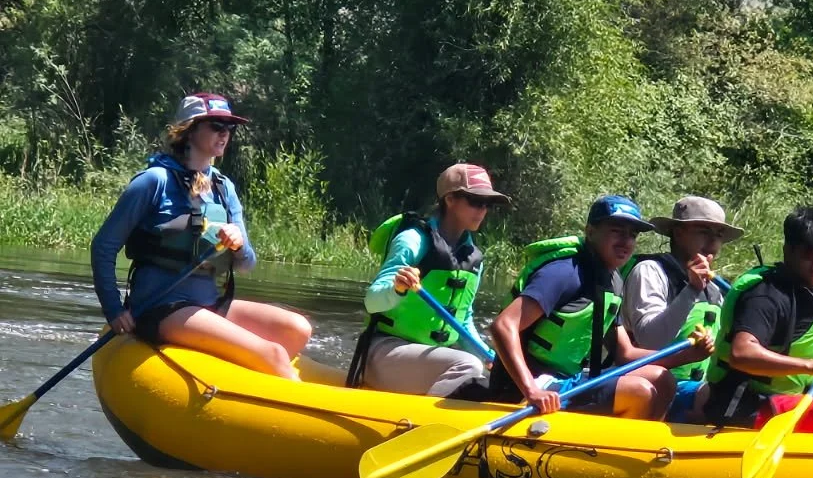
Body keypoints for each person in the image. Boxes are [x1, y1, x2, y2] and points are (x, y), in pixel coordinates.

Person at [90, 92, 312, 380]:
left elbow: (246, 264)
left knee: (297, 329)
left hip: (209, 302)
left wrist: (239, 245)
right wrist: (113, 309)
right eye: (217, 126)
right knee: (273, 353)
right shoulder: (153, 182)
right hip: (159, 308)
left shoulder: (224, 188)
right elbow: (103, 247)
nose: (225, 134)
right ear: (190, 129)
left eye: (230, 128)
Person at [488, 196, 712, 420]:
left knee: (662, 380)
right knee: (638, 392)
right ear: (591, 231)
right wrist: (531, 389)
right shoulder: (564, 272)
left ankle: (644, 448)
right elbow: (503, 325)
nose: (626, 242)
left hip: (567, 381)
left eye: (632, 235)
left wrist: (688, 355)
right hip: (532, 385)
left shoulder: (612, 280)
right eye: (617, 231)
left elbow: (626, 354)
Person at [705, 205, 813, 434]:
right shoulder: (766, 295)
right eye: (809, 253)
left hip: (781, 402)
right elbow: (741, 354)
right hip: (744, 407)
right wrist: (811, 366)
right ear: (788, 250)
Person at [349, 163, 508, 398]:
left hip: (425, 357)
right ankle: (424, 424)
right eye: (475, 201)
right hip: (382, 352)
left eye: (487, 204)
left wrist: (491, 358)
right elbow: (372, 302)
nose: (482, 210)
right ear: (450, 199)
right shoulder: (412, 240)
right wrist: (397, 288)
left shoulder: (473, 257)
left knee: (485, 371)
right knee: (467, 366)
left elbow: (462, 322)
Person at [622, 195, 741, 419]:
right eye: (703, 231)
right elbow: (650, 339)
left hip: (695, 389)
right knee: (720, 401)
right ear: (678, 232)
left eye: (719, 234)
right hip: (653, 384)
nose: (713, 241)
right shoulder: (650, 271)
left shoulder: (716, 287)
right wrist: (692, 289)